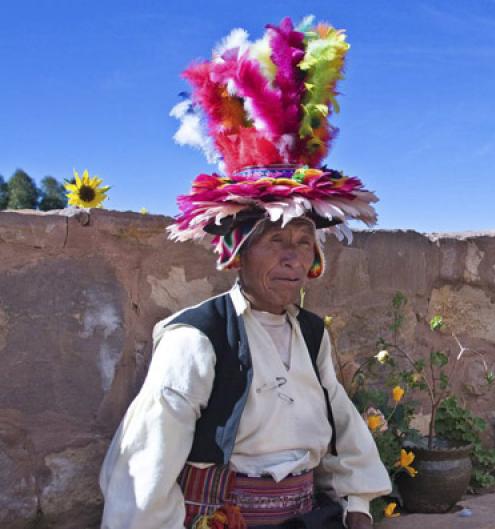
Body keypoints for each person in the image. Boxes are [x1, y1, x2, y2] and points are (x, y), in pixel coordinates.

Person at [99, 17, 389, 529]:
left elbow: (343, 423)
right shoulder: (197, 337)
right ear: (238, 251)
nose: (292, 257)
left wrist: (358, 504)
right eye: (276, 241)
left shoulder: (311, 332)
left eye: (303, 243)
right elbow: (146, 461)